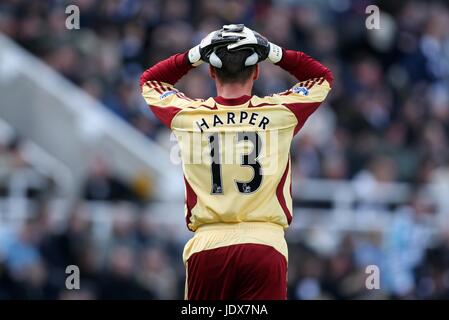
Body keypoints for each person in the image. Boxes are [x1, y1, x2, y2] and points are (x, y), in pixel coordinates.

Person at [140, 25, 333, 300]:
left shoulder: (186, 116)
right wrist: (273, 51)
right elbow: (321, 77)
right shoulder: (281, 113)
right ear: (256, 71)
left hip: (208, 246)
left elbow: (150, 81)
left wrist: (194, 54)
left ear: (211, 71)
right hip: (265, 244)